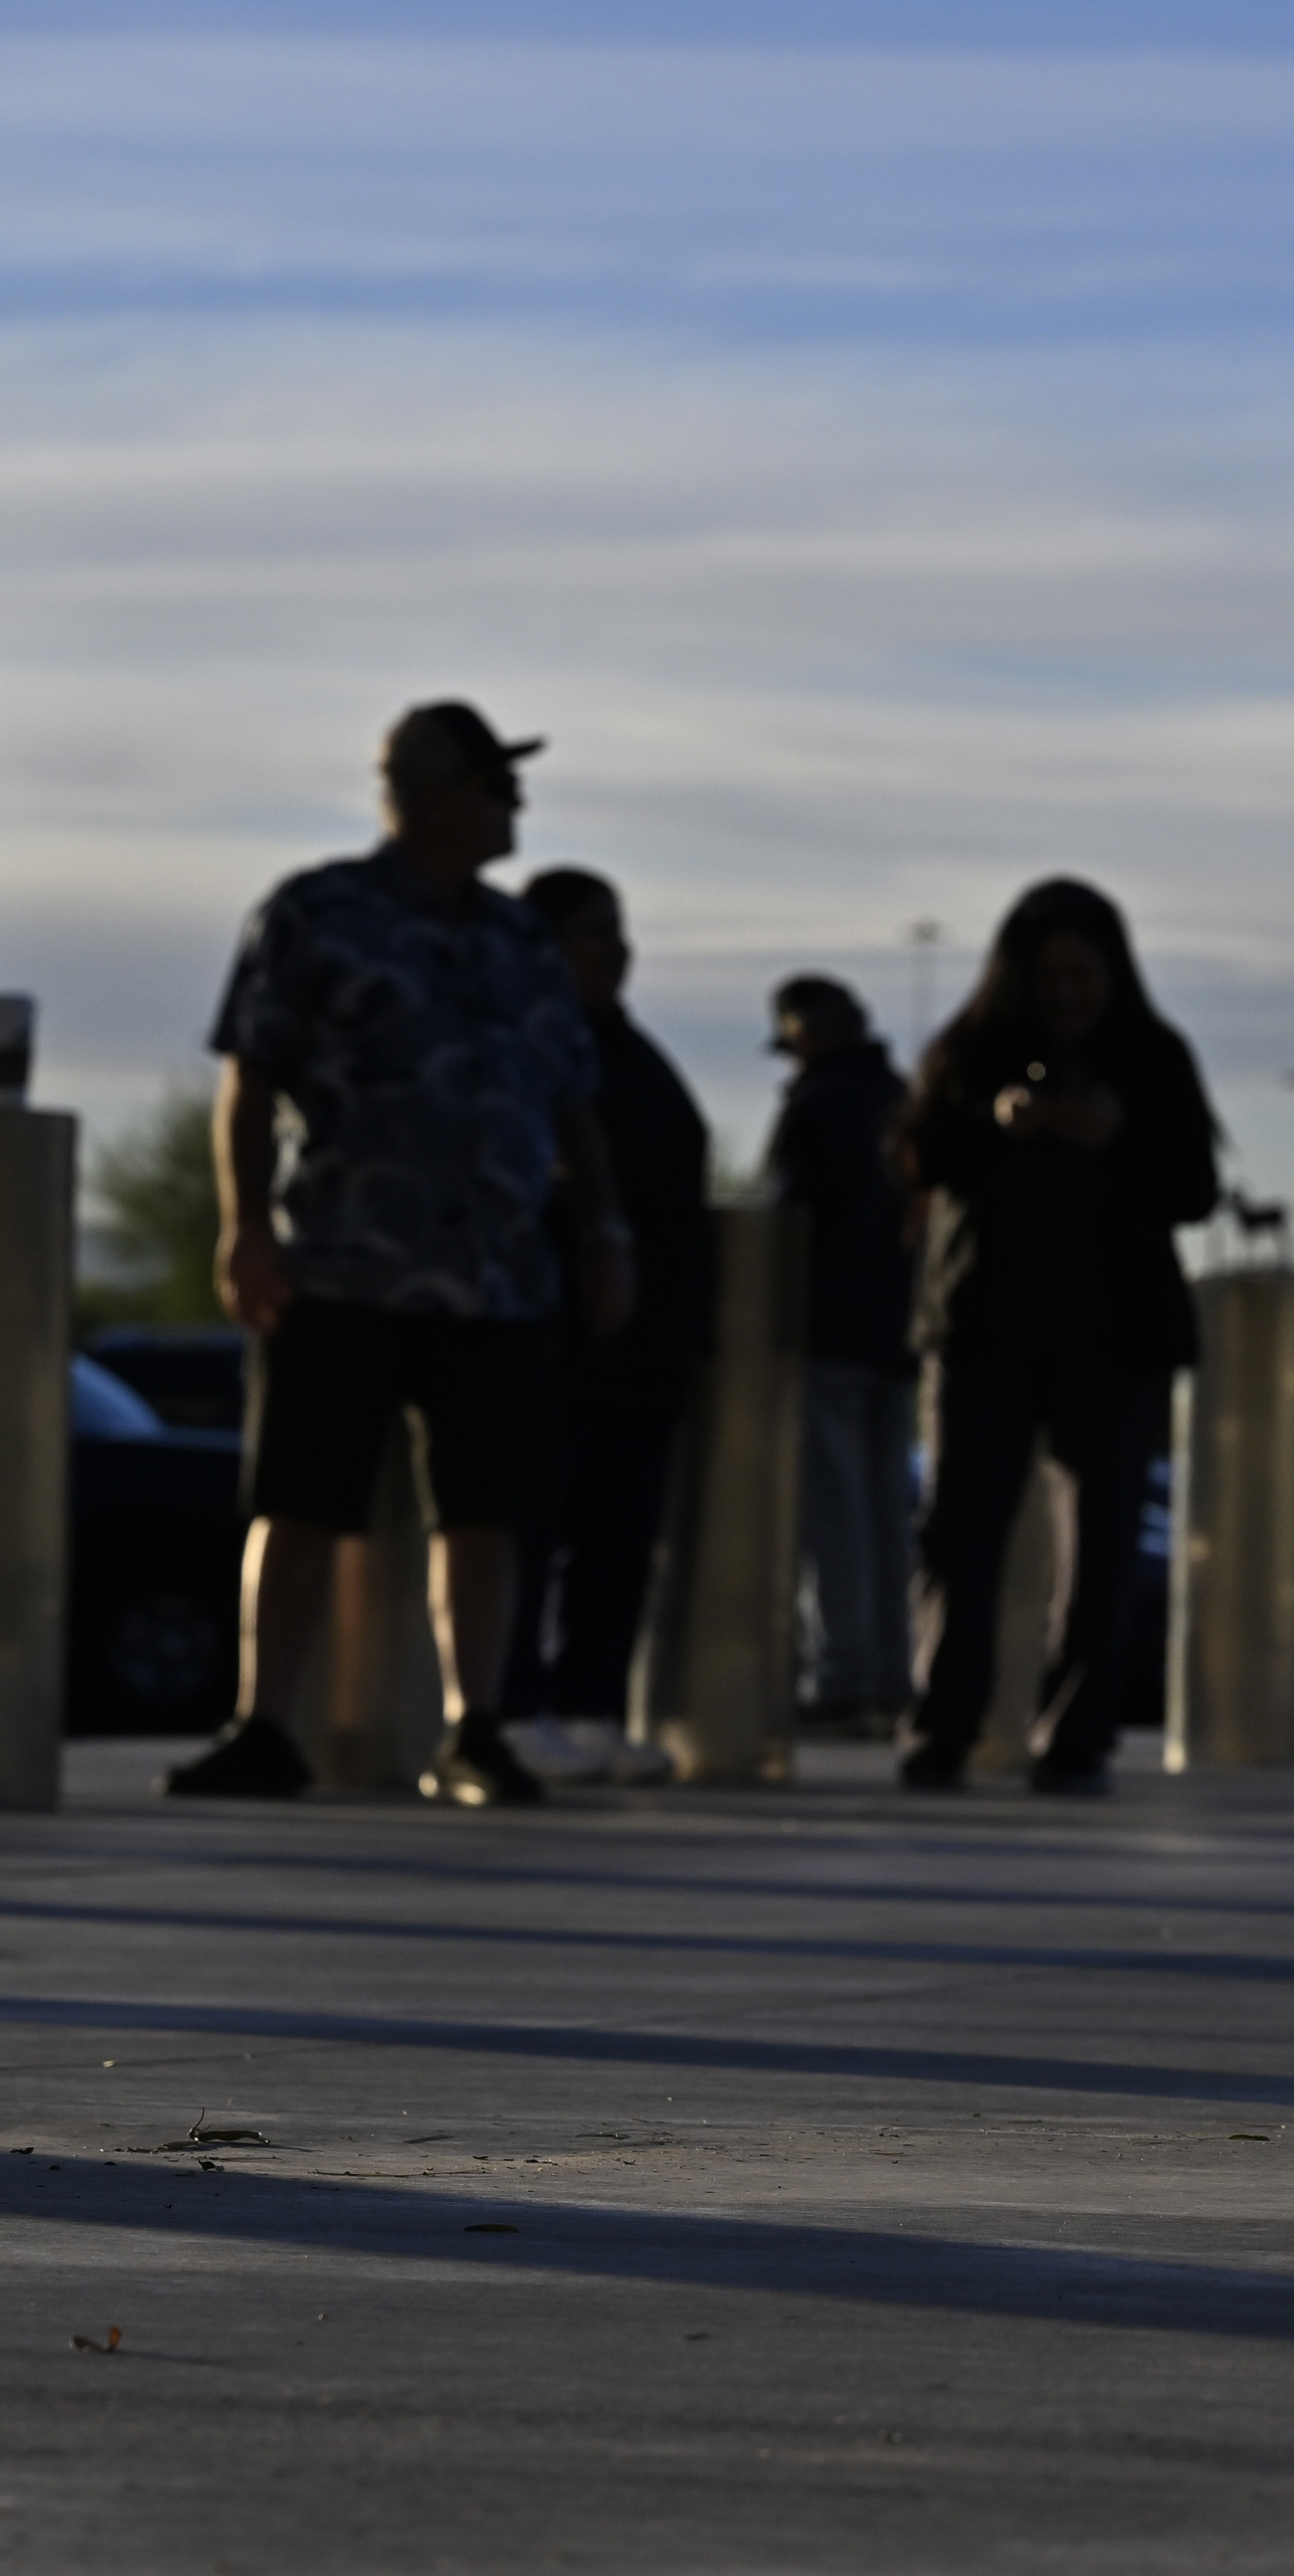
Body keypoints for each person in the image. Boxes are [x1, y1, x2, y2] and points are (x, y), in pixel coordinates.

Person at [164, 701, 631, 1808]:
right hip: (342, 1262)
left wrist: (605, 1231)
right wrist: (246, 1227)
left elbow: (573, 1103)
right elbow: (252, 1075)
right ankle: (264, 1724)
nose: (513, 805)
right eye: (492, 783)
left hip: (496, 1273)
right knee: (301, 1496)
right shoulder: (318, 913)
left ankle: (476, 1727)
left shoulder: (521, 939)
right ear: (430, 793)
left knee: (486, 1508)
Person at [891, 881, 1219, 1793]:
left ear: (1114, 974)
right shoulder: (967, 1054)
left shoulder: (1154, 1059)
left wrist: (1115, 1135)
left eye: (1084, 976)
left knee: (1104, 1547)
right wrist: (995, 1126)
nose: (1068, 995)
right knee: (959, 1536)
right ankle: (940, 1727)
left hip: (1113, 1335)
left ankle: (1076, 1738)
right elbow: (915, 1159)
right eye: (1050, 978)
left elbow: (1194, 1189)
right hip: (982, 1328)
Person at [498, 869, 713, 1786]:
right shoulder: (527, 1040)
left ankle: (591, 1706)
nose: (615, 950)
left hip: (646, 1341)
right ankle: (510, 1706)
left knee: (621, 1539)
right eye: (593, 933)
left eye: (618, 931)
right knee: (530, 1526)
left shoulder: (633, 1051)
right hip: (557, 1331)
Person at [762, 975, 916, 1734]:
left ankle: (841, 1674)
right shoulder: (903, 1096)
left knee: (833, 1512)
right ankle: (891, 1670)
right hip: (901, 1330)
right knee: (887, 1508)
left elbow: (785, 1219)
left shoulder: (815, 1106)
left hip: (826, 1328)